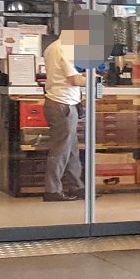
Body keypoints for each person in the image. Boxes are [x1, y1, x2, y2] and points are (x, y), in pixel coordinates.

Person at [41, 13, 103, 202]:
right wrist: (92, 78)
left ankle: (77, 186)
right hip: (63, 104)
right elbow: (74, 80)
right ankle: (52, 190)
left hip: (60, 102)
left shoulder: (52, 47)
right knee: (61, 149)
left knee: (71, 149)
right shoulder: (64, 49)